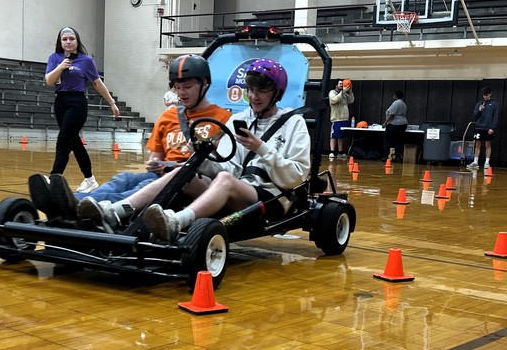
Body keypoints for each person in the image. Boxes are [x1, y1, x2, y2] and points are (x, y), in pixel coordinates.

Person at [78, 58, 311, 241]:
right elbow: (228, 168)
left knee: (224, 180)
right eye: (250, 90)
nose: (253, 96)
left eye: (261, 91)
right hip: (237, 188)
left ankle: (175, 222)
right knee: (184, 172)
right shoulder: (239, 120)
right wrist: (199, 157)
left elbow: (296, 177)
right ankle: (116, 211)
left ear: (277, 92)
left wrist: (261, 149)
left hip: (273, 199)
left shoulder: (293, 123)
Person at [29, 55, 229, 220]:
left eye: (187, 87)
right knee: (123, 179)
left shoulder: (222, 118)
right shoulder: (168, 116)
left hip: (193, 182)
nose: (181, 93)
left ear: (204, 84)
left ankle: (83, 207)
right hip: (160, 176)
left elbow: (222, 168)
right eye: (177, 87)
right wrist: (155, 164)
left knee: (140, 187)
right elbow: (155, 158)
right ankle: (69, 201)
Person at [42, 26, 119, 195]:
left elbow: (97, 83)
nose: (68, 42)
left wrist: (111, 103)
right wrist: (61, 67)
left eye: (71, 39)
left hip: (77, 102)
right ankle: (90, 180)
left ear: (77, 41)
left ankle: (54, 177)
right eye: (65, 39)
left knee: (64, 139)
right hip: (60, 102)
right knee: (74, 143)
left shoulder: (86, 60)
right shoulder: (55, 58)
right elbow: (49, 80)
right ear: (60, 42)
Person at [467, 86, 499, 170]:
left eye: (487, 94)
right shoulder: (478, 104)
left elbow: (495, 117)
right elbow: (475, 117)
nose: (485, 96)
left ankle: (487, 162)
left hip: (488, 128)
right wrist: (479, 110)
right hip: (479, 127)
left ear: (490, 94)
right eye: (484, 95)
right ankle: (475, 162)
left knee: (487, 145)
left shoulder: (494, 104)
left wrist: (492, 127)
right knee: (477, 144)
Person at [328, 78, 354, 160]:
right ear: (336, 85)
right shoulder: (332, 93)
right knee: (334, 136)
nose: (342, 85)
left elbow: (351, 100)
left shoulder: (345, 94)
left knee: (341, 137)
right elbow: (334, 100)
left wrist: (350, 91)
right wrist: (342, 92)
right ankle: (332, 151)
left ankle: (340, 152)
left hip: (344, 118)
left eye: (342, 84)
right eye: (340, 84)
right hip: (336, 119)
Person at [382, 90, 408, 163]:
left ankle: (385, 156)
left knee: (387, 139)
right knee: (398, 141)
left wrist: (385, 123)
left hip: (395, 124)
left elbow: (391, 115)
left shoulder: (396, 103)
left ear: (395, 95)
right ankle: (398, 157)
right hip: (403, 124)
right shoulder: (403, 104)